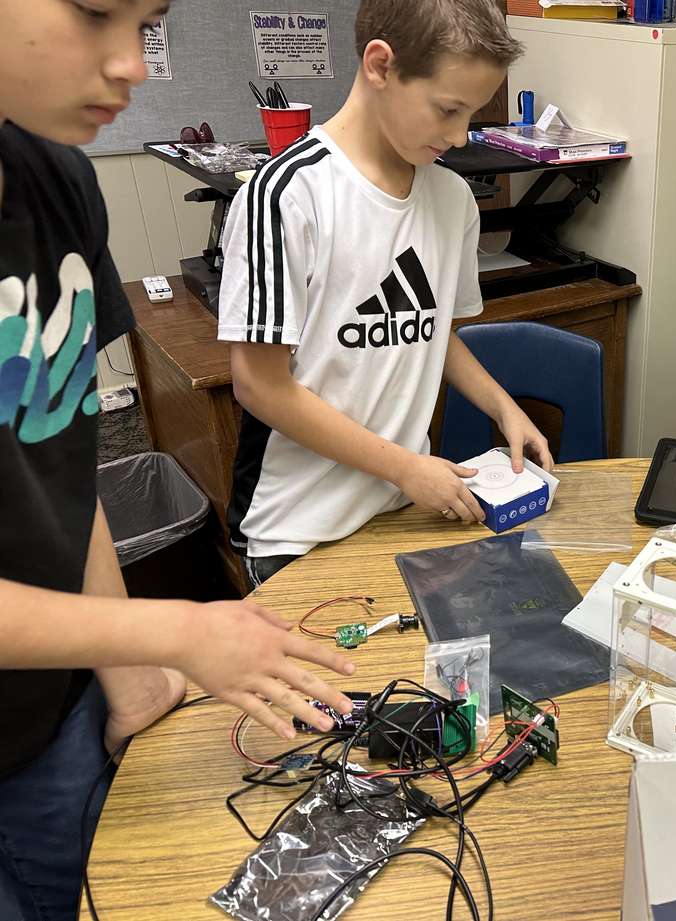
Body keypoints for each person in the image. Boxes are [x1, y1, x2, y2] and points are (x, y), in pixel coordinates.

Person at [0, 3, 354, 918]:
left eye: (147, 22)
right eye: (93, 13)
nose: (134, 65)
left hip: (54, 710)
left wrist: (124, 670)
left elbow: (60, 466)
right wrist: (177, 633)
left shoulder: (60, 182)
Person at [220, 0, 552, 588]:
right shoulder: (286, 197)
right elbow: (259, 385)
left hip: (399, 512)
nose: (457, 137)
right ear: (380, 66)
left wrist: (505, 408)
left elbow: (430, 331)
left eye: (471, 116)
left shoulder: (452, 201)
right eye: (448, 110)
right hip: (297, 532)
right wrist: (405, 468)